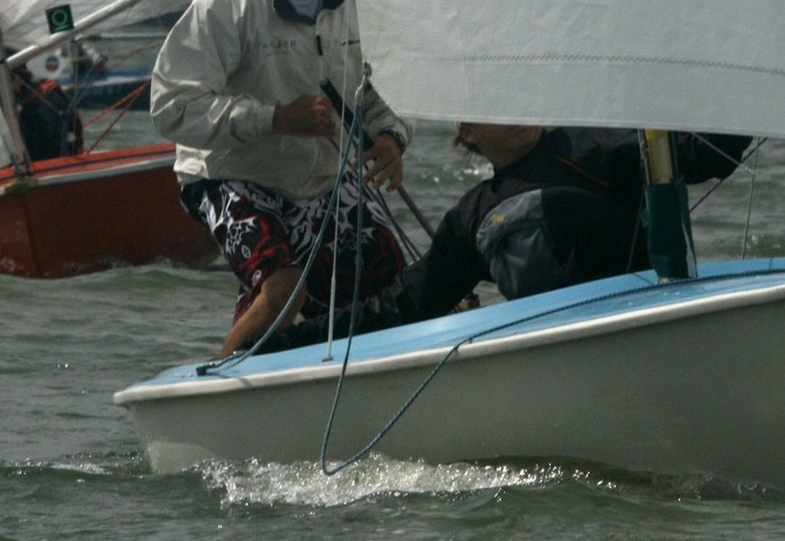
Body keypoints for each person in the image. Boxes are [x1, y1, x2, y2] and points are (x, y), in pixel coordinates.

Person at [150, 0, 413, 357]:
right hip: (230, 174)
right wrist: (273, 118)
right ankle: (219, 404)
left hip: (323, 179)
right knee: (284, 289)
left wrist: (390, 139)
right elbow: (171, 107)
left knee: (402, 285)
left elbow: (376, 88)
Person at [251, 124, 752, 353]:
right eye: (494, 104)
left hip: (652, 324)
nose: (513, 109)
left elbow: (708, 154)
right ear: (468, 132)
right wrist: (285, 340)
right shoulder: (471, 216)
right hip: (556, 349)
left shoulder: (596, 146)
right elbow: (403, 306)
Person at [0, 49, 84, 161]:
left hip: (50, 171)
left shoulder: (46, 105)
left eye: (0, 79)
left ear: (18, 77)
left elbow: (47, 151)